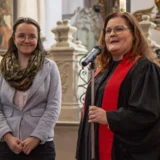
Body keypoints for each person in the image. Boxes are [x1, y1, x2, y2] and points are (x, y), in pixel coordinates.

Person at [76, 11, 160, 160]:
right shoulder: (102, 72)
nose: (112, 34)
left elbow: (146, 115)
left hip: (122, 153)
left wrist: (109, 117)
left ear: (134, 35)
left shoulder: (144, 69)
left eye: (119, 29)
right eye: (108, 31)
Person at [0, 17, 61, 160]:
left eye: (32, 36)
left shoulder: (50, 67)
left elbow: (53, 106)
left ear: (38, 39)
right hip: (7, 145)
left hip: (41, 145)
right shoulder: (2, 68)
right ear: (14, 39)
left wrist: (36, 137)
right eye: (21, 36)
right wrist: (7, 136)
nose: (26, 40)